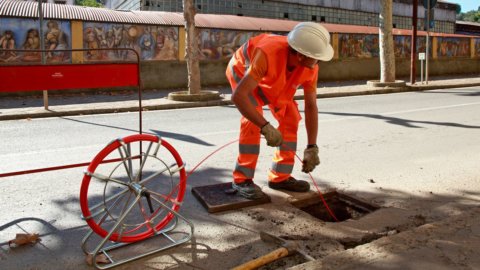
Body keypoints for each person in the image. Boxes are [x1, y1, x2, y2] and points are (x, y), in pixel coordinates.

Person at [225, 22, 334, 199]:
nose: (318, 62)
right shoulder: (267, 53)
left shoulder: (309, 67)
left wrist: (312, 146)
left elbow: (311, 106)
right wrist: (265, 126)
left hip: (271, 77)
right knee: (253, 119)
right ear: (300, 55)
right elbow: (239, 97)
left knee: (290, 117)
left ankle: (279, 177)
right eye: (317, 57)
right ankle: (242, 180)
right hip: (242, 71)